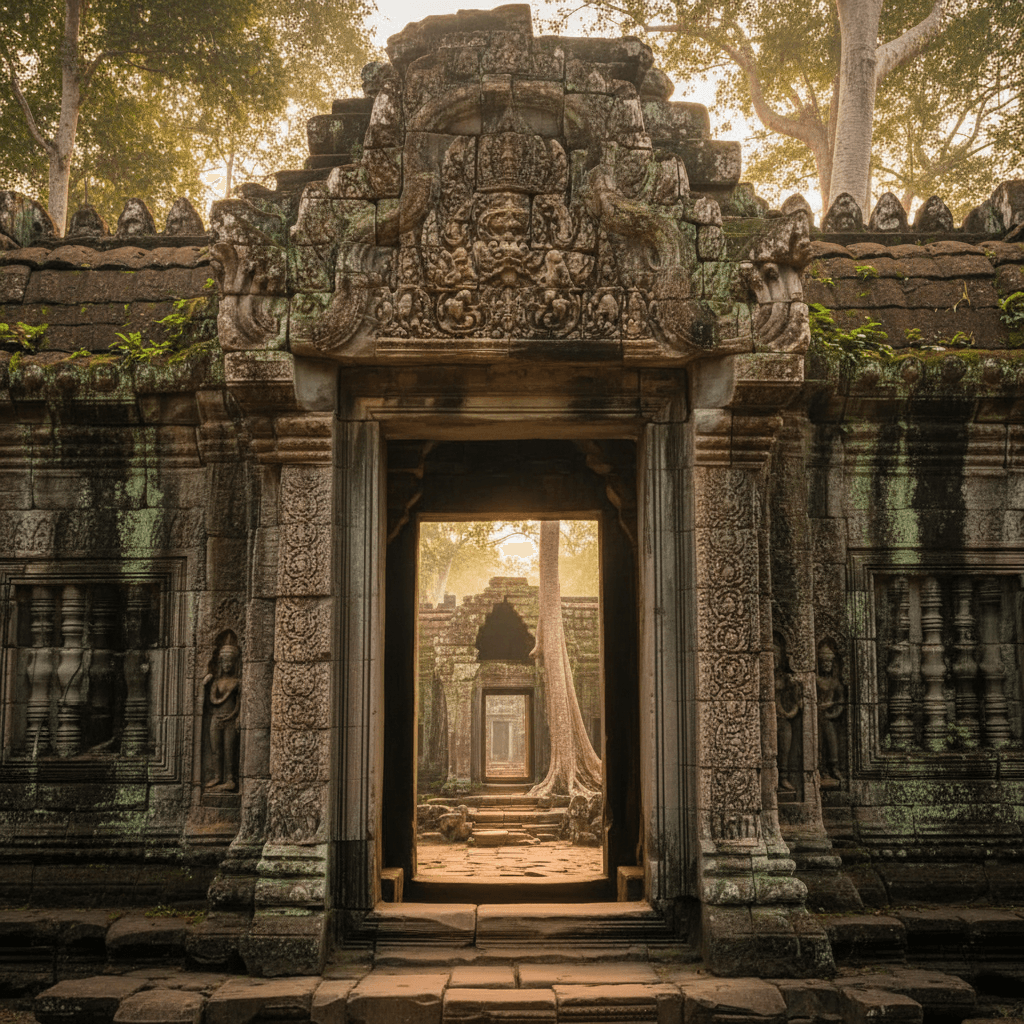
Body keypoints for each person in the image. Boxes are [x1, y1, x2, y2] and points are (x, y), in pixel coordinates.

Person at [204, 640, 240, 791]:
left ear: (234, 663)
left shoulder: (237, 682)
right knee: (216, 749)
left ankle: (230, 779)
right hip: (216, 718)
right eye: (224, 661)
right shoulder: (216, 682)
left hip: (229, 719)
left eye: (230, 661)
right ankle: (217, 776)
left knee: (229, 749)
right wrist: (205, 686)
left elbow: (239, 704)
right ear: (220, 663)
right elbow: (211, 701)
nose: (227, 664)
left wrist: (235, 716)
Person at [774, 640, 801, 792]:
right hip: (771, 718)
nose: (774, 661)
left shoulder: (784, 677)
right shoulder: (764, 676)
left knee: (785, 747)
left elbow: (795, 697)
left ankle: (783, 776)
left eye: (776, 657)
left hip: (783, 718)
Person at [816, 641, 844, 788]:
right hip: (817, 717)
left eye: (829, 663)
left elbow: (840, 703)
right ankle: (822, 770)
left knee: (832, 743)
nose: (827, 665)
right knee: (819, 743)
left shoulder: (835, 683)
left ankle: (834, 767)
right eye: (824, 662)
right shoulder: (815, 680)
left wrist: (832, 714)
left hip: (828, 718)